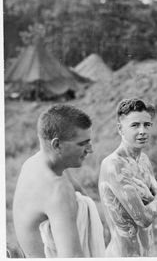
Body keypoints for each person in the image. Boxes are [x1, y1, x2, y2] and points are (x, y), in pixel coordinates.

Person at [12, 104, 104, 258]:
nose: (90, 149)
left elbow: (81, 192)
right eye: (83, 144)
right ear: (57, 145)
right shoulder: (57, 190)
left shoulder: (33, 163)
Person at [98, 98, 157, 257]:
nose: (143, 131)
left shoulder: (144, 160)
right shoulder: (114, 165)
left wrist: (151, 199)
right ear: (120, 129)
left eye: (147, 125)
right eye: (135, 125)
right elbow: (144, 219)